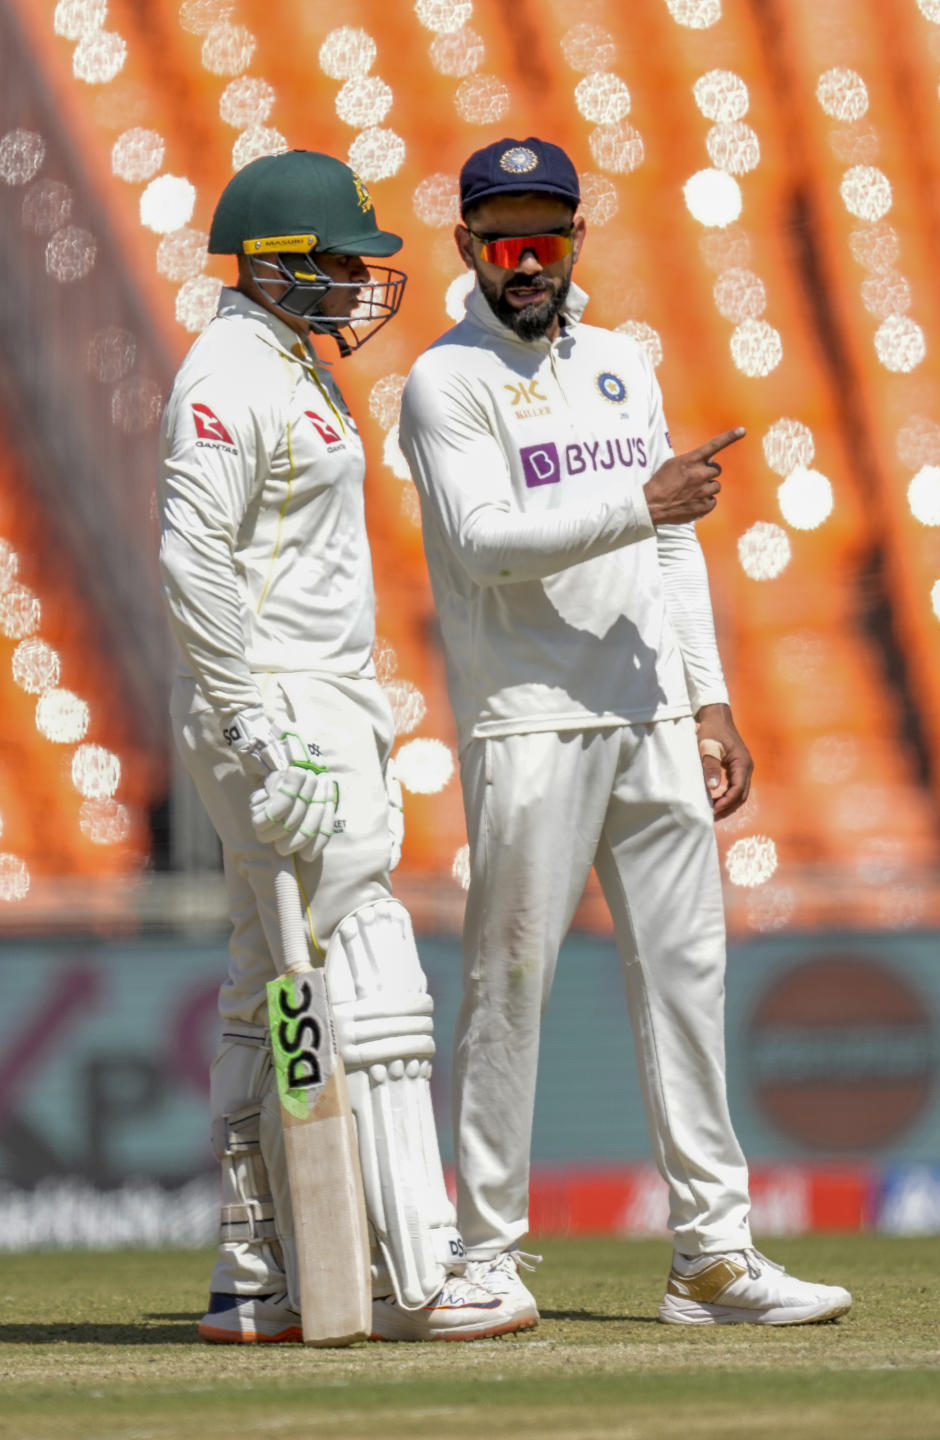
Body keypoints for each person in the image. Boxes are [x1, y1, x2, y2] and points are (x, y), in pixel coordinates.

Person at [398, 136, 852, 1327]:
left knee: (689, 986)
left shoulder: (622, 362)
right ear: (470, 249)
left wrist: (709, 696)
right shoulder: (447, 381)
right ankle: (484, 1258)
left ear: (579, 240)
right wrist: (638, 498)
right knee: (510, 988)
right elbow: (485, 542)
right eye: (506, 238)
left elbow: (671, 544)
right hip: (533, 721)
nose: (529, 258)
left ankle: (711, 1253)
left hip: (650, 710)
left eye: (548, 233)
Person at [157, 149, 535, 1343]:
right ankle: (418, 1275)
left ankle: (257, 1269)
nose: (357, 284)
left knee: (265, 977)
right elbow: (190, 556)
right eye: (336, 263)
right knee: (365, 952)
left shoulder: (281, 360)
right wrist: (255, 726)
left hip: (296, 699)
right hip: (282, 701)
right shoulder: (229, 370)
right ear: (275, 266)